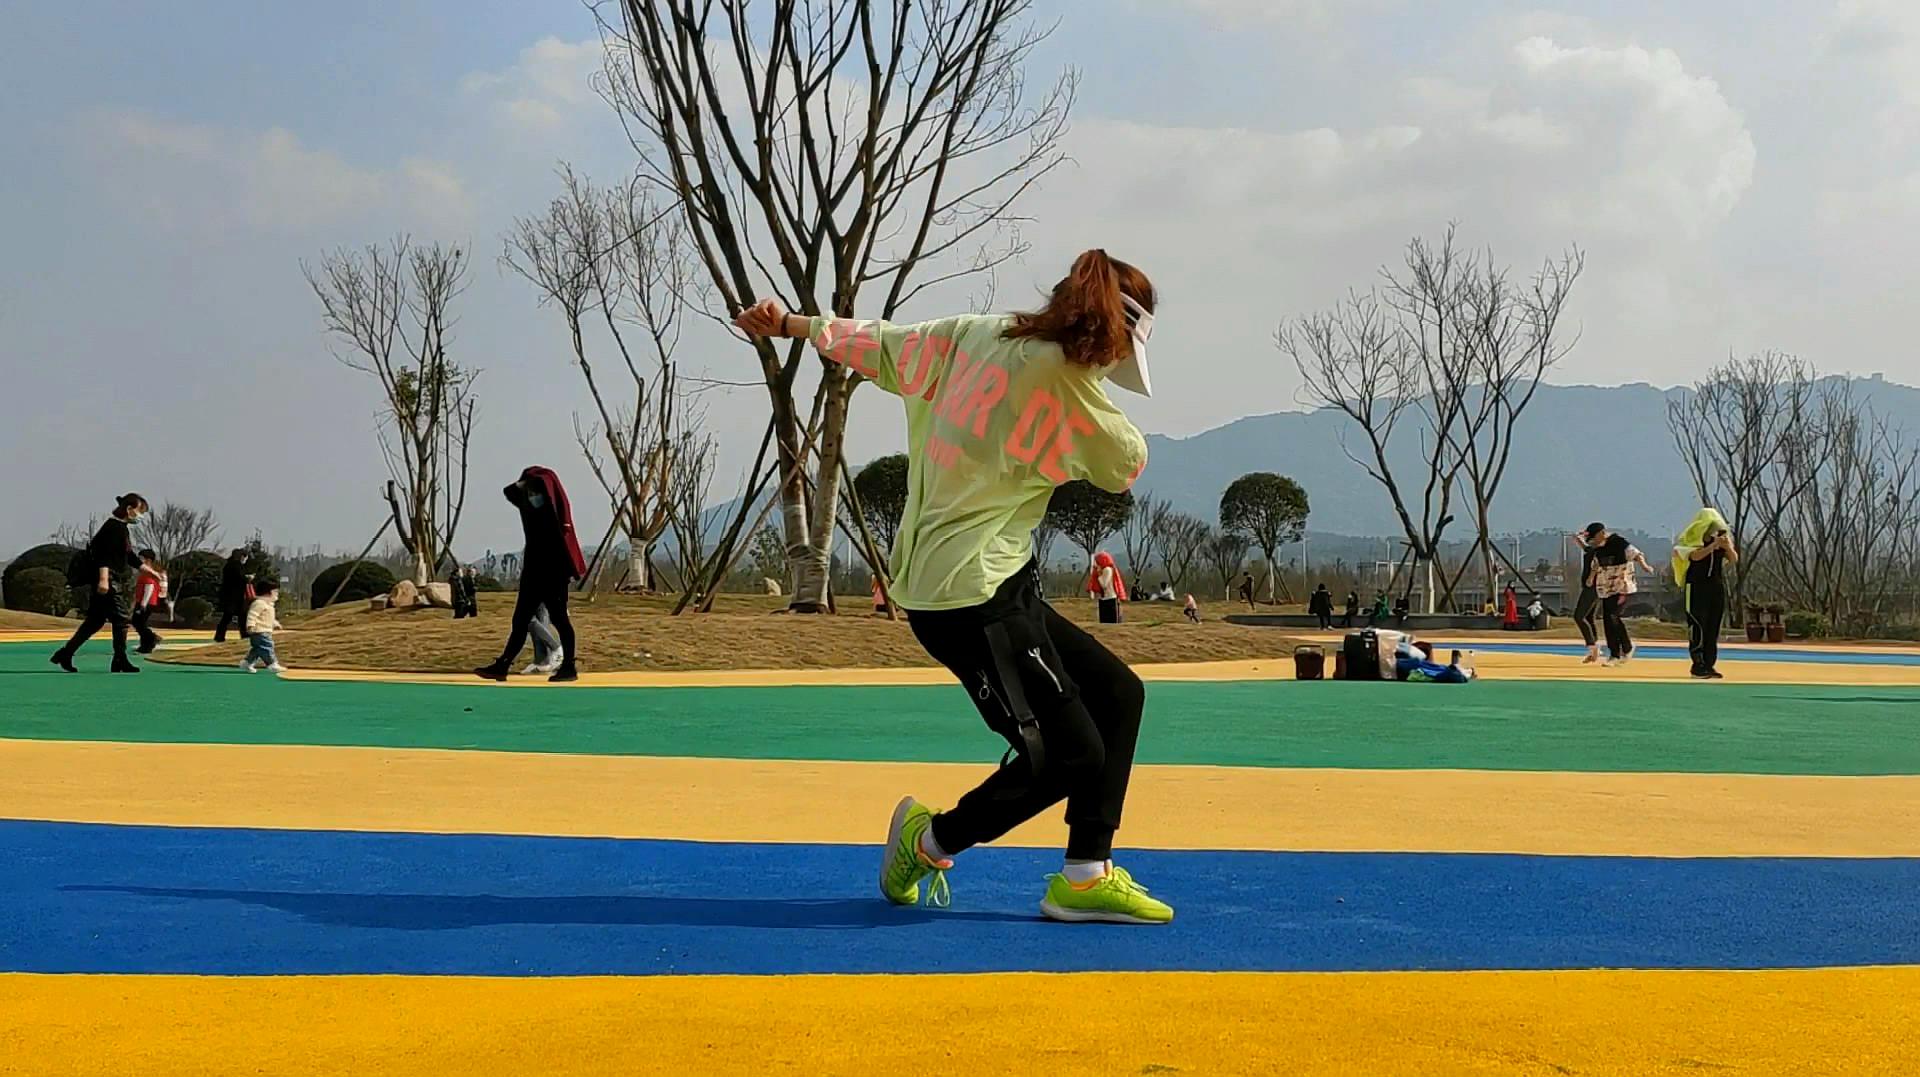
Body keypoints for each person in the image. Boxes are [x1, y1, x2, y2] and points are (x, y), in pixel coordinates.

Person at [732, 248, 1172, 925]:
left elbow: (877, 343)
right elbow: (1126, 465)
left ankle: (1086, 873)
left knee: (1120, 693)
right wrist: (1083, 386)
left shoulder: (972, 335)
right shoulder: (1074, 391)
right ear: (1112, 338)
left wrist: (790, 322)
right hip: (967, 598)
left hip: (994, 580)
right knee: (1067, 752)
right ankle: (929, 841)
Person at [475, 467, 587, 683]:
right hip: (533, 575)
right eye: (529, 492)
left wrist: (540, 481)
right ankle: (502, 665)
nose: (532, 496)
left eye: (535, 491)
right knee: (520, 621)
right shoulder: (529, 511)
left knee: (559, 619)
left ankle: (569, 667)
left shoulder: (554, 515)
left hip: (553, 574)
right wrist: (523, 483)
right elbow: (509, 492)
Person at [50, 493, 148, 674]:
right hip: (108, 580)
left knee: (94, 622)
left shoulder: (120, 528)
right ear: (129, 509)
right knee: (121, 619)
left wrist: (149, 571)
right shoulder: (113, 528)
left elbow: (128, 556)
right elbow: (103, 555)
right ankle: (120, 659)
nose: (141, 516)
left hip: (109, 578)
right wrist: (104, 579)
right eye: (139, 511)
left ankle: (65, 654)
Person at [1675, 508, 1738, 679]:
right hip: (1696, 586)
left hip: (1716, 586)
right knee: (1698, 624)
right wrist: (1712, 546)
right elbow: (1694, 557)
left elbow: (1733, 559)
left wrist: (1727, 547)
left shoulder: (1721, 542)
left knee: (1713, 625)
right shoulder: (1689, 541)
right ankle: (1698, 664)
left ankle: (1709, 664)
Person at [1584, 522, 1659, 666]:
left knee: (1613, 616)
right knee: (1608, 618)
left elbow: (1636, 554)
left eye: (1594, 538)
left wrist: (1645, 566)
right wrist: (1590, 577)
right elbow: (1596, 564)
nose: (1594, 542)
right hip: (1606, 589)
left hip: (1622, 587)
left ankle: (1621, 651)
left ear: (1601, 533)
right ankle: (1620, 651)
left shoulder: (1619, 543)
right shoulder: (1598, 549)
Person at [239, 579, 286, 674]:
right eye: (275, 592)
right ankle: (272, 664)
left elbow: (268, 618)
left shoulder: (269, 605)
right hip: (259, 631)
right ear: (268, 593)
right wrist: (250, 625)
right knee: (267, 646)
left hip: (265, 630)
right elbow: (252, 615)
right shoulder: (259, 603)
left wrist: (275, 623)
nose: (277, 594)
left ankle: (247, 662)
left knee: (257, 649)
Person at [1570, 528, 1603, 663]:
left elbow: (1597, 565)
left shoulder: (1600, 551)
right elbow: (1581, 543)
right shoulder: (1591, 550)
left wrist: (1590, 578)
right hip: (1592, 587)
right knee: (1589, 617)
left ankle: (1592, 645)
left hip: (1592, 587)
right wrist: (1581, 535)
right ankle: (1594, 648)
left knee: (1579, 616)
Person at [130, 549, 166, 654]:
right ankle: (146, 644)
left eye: (141, 558)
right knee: (140, 623)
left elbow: (149, 587)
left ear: (148, 560)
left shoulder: (148, 573)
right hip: (145, 602)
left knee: (138, 622)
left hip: (146, 602)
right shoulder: (146, 572)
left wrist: (143, 604)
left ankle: (151, 639)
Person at [213, 548, 249, 643]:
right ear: (242, 557)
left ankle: (219, 635)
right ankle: (244, 633)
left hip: (228, 595)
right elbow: (241, 579)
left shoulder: (227, 565)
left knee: (228, 616)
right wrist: (248, 578)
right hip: (236, 596)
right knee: (238, 615)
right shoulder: (237, 566)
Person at [1087, 551, 1126, 623]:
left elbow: (1104, 584)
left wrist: (1099, 575)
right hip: (1106, 598)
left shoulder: (1107, 570)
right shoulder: (1106, 570)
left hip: (1111, 598)